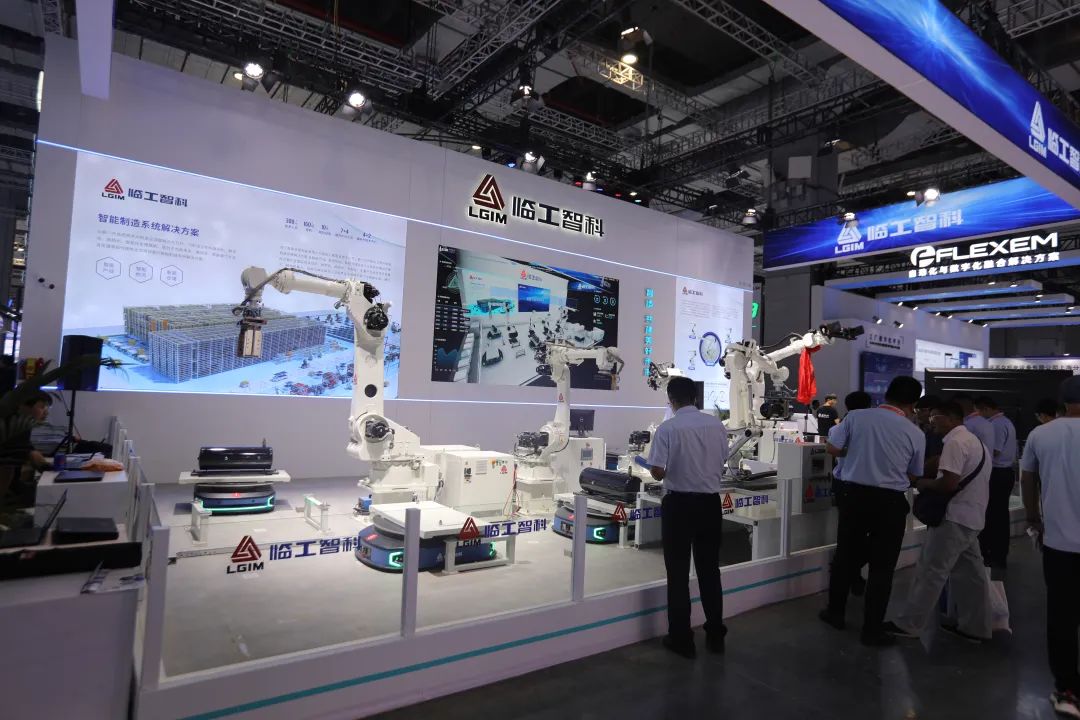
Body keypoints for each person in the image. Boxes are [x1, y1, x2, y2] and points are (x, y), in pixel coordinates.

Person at [820, 376, 925, 647]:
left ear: (886, 394)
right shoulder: (915, 432)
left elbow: (832, 448)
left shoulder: (856, 418)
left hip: (854, 497)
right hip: (890, 503)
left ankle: (835, 613)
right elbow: (914, 474)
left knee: (845, 556)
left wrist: (858, 455)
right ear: (913, 404)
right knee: (882, 567)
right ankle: (872, 629)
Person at [883, 401, 992, 642]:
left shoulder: (955, 442)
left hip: (953, 518)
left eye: (935, 417)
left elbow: (948, 483)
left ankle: (910, 624)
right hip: (972, 517)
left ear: (951, 418)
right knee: (972, 575)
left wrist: (922, 483)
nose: (931, 422)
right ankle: (976, 627)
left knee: (931, 571)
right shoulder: (976, 443)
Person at [648, 375, 729, 659]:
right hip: (710, 505)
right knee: (710, 570)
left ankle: (682, 639)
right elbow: (722, 459)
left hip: (679, 506)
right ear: (695, 397)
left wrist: (657, 467)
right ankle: (716, 634)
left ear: (671, 400)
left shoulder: (668, 429)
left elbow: (657, 471)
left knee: (678, 573)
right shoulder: (717, 425)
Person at [1020, 376, 1080, 718]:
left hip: (1058, 543)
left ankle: (1068, 690)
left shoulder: (1042, 434)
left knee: (1062, 616)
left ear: (1063, 402)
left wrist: (1033, 517)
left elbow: (1028, 478)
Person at [828, 391, 873, 596]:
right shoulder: (873, 428)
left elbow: (833, 449)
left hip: (846, 485)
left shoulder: (842, 425)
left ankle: (849, 574)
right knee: (860, 534)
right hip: (864, 486)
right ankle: (853, 575)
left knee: (849, 534)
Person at [975, 396, 1018, 577]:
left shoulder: (996, 425)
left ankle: (994, 555)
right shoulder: (1005, 421)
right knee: (998, 515)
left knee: (994, 516)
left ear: (985, 408)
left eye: (978, 411)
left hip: (997, 473)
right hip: (1004, 473)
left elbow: (995, 451)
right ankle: (998, 554)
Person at [915, 395, 945, 478]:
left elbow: (935, 460)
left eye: (922, 410)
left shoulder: (939, 432)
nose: (918, 414)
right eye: (916, 410)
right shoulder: (924, 429)